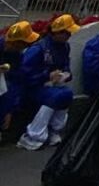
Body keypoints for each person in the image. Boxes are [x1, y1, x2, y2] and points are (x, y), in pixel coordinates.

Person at [18, 14, 80, 150]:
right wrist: (46, 76)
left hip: (52, 85)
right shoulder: (39, 49)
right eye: (67, 33)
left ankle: (54, 130)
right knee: (56, 96)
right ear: (57, 33)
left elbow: (65, 64)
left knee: (66, 94)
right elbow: (24, 75)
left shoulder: (65, 47)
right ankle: (32, 135)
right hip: (34, 86)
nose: (69, 36)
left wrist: (66, 74)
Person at [0, 20, 39, 135]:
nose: (27, 46)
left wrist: (10, 110)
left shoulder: (17, 56)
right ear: (17, 42)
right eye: (25, 44)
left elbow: (17, 81)